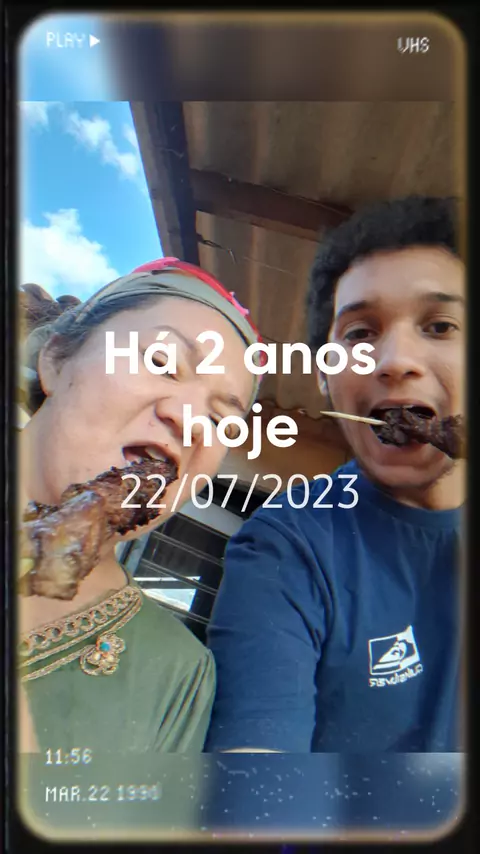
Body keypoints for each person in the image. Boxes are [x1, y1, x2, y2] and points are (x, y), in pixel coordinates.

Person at [205, 196, 465, 753]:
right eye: (359, 334)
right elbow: (256, 778)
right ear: (324, 377)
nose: (394, 361)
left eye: (440, 325)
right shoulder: (287, 544)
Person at [17, 257, 260, 754]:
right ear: (56, 359)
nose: (190, 420)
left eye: (222, 421)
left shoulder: (180, 677)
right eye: (161, 363)